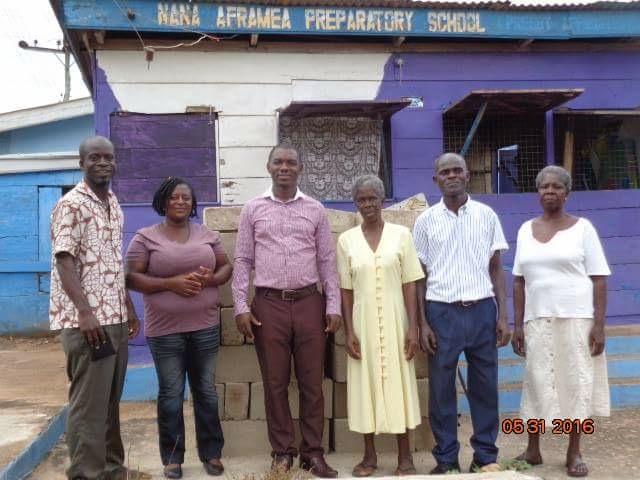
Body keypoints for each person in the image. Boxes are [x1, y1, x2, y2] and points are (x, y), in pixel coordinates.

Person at [232, 143, 341, 478]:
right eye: (278, 162)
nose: (284, 167)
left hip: (310, 303)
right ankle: (282, 453)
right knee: (275, 383)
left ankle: (313, 453)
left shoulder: (315, 210)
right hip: (268, 305)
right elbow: (244, 260)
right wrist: (240, 306)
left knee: (311, 383)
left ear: (300, 169)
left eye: (291, 162)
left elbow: (326, 260)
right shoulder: (253, 209)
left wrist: (333, 303)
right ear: (268, 168)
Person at [49, 136, 148, 480]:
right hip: (88, 323)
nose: (103, 162)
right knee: (88, 406)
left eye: (108, 157)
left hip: (115, 317)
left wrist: (129, 307)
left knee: (108, 403)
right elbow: (64, 260)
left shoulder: (113, 203)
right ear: (82, 163)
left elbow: (110, 262)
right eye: (94, 158)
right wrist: (85, 311)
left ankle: (111, 468)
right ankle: (85, 474)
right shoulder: (72, 204)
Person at [126, 177, 232, 479]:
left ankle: (212, 453)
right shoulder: (146, 237)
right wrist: (172, 284)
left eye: (186, 197)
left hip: (205, 326)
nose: (181, 202)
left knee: (206, 393)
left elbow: (226, 268)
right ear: (163, 201)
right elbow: (131, 277)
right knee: (171, 394)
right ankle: (172, 458)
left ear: (193, 202)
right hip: (165, 330)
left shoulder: (207, 234)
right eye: (174, 197)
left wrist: (210, 279)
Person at [413, 152, 511, 474]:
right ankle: (446, 459)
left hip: (482, 309)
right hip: (442, 313)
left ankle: (485, 456)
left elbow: (496, 269)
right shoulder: (426, 221)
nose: (451, 176)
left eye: (457, 170)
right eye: (445, 172)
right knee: (441, 390)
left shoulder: (486, 215)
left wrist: (502, 315)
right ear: (435, 179)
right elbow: (420, 277)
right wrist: (423, 322)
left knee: (484, 386)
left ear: (467, 175)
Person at [511, 165, 610, 478]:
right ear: (537, 192)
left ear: (567, 193)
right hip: (537, 320)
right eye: (544, 187)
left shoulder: (584, 229)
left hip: (577, 319)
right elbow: (517, 281)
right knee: (537, 382)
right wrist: (517, 325)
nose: (549, 191)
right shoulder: (526, 230)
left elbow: (600, 279)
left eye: (556, 187)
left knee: (576, 384)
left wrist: (599, 325)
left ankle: (574, 450)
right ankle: (533, 449)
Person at [337, 175, 424, 477]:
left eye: (373, 198)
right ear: (355, 203)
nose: (368, 204)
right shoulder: (346, 240)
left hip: (396, 319)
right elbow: (345, 290)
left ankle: (405, 458)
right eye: (362, 199)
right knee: (365, 384)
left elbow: (411, 282)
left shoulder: (401, 235)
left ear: (383, 200)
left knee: (399, 382)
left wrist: (413, 327)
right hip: (362, 323)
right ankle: (369, 457)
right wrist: (349, 330)